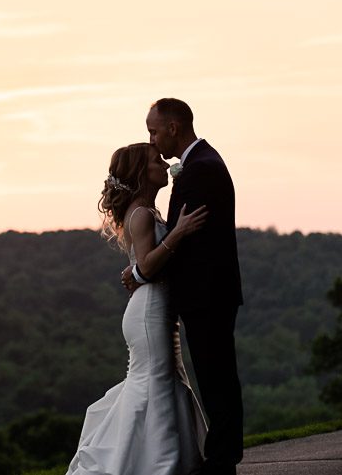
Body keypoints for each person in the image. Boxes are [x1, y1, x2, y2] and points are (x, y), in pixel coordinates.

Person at [65, 142, 208, 475]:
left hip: (158, 311)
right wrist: (180, 233)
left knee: (162, 381)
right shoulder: (142, 213)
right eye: (156, 161)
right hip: (150, 313)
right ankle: (160, 465)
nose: (164, 164)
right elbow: (146, 264)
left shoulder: (148, 211)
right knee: (155, 384)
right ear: (142, 173)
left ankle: (165, 460)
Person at [125, 98, 244, 475]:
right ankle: (218, 457)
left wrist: (139, 274)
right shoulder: (201, 164)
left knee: (216, 378)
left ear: (173, 128)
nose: (152, 138)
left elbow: (186, 242)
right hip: (204, 294)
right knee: (213, 377)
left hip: (206, 294)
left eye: (154, 130)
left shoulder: (199, 170)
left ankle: (222, 461)